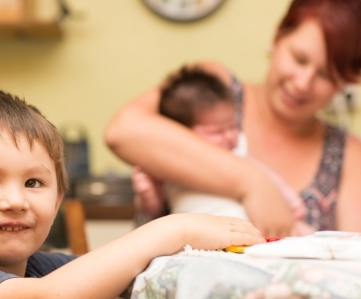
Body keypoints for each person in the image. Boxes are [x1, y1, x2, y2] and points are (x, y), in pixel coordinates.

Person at [0, 86, 264, 299]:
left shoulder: (36, 267)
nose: (15, 201)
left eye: (33, 183)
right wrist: (174, 228)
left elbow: (115, 270)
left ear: (57, 200)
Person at [106, 0, 361, 238]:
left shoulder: (349, 155)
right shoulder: (213, 93)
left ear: (345, 83)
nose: (303, 84)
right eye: (299, 58)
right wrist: (252, 182)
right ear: (277, 38)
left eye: (326, 75)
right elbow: (122, 131)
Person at [133, 66, 312, 234]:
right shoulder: (171, 159)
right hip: (198, 237)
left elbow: (263, 174)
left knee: (301, 232)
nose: (230, 136)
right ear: (182, 133)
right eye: (217, 131)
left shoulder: (235, 151)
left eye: (233, 126)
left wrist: (289, 198)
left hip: (248, 229)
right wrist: (148, 196)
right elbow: (154, 210)